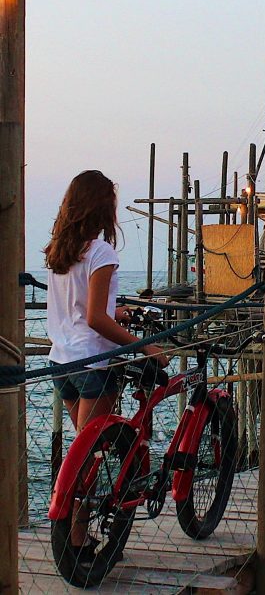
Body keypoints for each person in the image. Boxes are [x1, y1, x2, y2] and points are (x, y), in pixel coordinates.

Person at [45, 170, 167, 556]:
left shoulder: (59, 252)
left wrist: (119, 313)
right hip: (93, 364)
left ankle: (73, 530)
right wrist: (147, 346)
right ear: (104, 207)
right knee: (89, 458)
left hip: (61, 363)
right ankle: (76, 539)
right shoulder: (101, 252)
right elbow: (96, 319)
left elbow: (82, 308)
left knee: (83, 451)